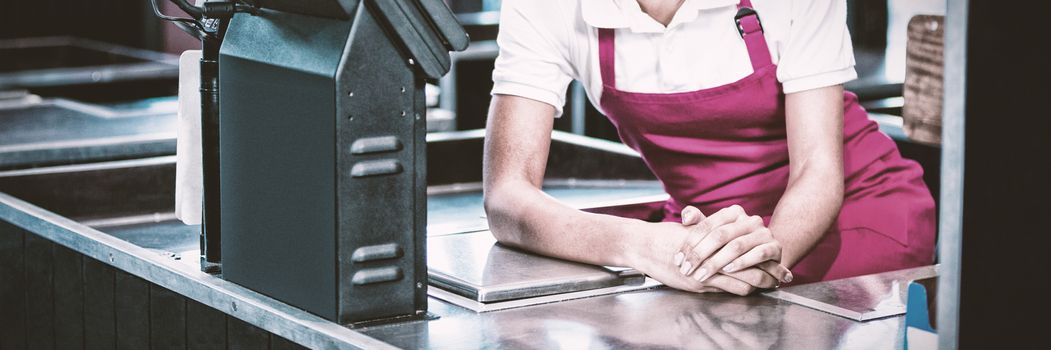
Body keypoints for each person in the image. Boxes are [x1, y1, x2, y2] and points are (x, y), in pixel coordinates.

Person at [482, 0, 936, 295]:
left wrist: (758, 255)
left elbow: (817, 171)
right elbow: (507, 196)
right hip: (700, 236)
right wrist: (645, 246)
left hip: (848, 220)